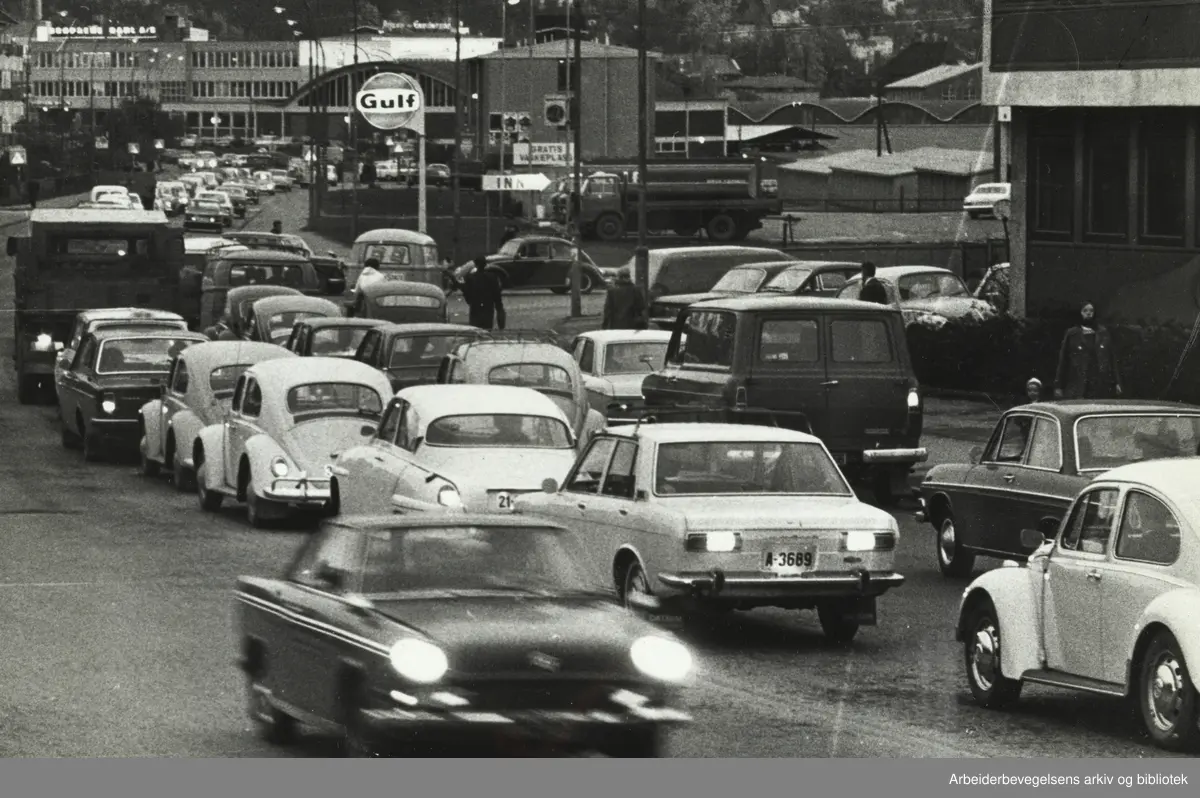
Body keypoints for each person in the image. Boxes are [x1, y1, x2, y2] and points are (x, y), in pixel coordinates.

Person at [1054, 301, 1122, 399]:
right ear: (1080, 313)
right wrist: (1058, 386)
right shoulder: (1072, 334)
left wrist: (1117, 382)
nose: (1088, 313)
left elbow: (1112, 359)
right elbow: (1063, 361)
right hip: (1078, 383)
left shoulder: (1103, 333)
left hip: (1099, 383)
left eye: (1091, 310)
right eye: (1085, 310)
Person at [462, 256, 507, 330]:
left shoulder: (470, 278)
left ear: (475, 265)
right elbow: (497, 296)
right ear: (485, 264)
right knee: (487, 331)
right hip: (488, 309)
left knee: (475, 331)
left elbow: (467, 296)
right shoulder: (492, 277)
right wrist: (499, 309)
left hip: (475, 309)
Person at [601, 266, 647, 330]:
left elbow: (608, 310)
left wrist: (605, 324)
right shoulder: (636, 290)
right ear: (628, 277)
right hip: (633, 325)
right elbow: (641, 307)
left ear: (619, 277)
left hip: (616, 325)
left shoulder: (612, 291)